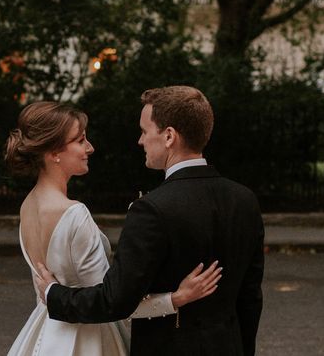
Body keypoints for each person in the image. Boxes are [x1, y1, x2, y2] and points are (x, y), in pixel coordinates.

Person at [37, 86, 265, 356]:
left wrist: (54, 294)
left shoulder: (152, 210)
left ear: (169, 136)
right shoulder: (245, 200)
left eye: (145, 131)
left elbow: (115, 300)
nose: (140, 141)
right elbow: (250, 299)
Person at [4, 101, 222, 356]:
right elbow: (113, 300)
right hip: (87, 339)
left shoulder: (28, 205)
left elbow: (47, 292)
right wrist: (175, 299)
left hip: (44, 332)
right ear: (54, 152)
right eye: (80, 140)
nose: (90, 147)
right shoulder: (74, 214)